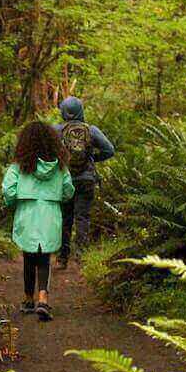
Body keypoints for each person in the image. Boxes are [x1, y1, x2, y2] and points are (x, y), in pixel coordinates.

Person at [2, 121, 75, 321]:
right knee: (44, 257)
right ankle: (43, 298)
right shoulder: (60, 166)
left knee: (29, 256)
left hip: (27, 213)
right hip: (50, 213)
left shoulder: (19, 165)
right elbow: (68, 191)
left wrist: (12, 202)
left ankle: (28, 299)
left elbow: (8, 190)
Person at [53, 96, 115, 268]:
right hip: (87, 179)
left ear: (64, 111)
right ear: (80, 110)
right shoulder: (91, 130)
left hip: (64, 180)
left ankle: (62, 258)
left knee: (65, 218)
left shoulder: (56, 130)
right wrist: (92, 158)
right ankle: (81, 257)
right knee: (82, 218)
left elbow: (46, 152)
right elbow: (110, 150)